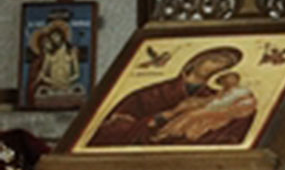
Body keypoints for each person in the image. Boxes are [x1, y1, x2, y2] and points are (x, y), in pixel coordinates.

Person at [88, 47, 242, 147]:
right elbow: (110, 131)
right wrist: (161, 118)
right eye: (215, 61)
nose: (217, 68)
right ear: (195, 62)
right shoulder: (154, 92)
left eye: (225, 66)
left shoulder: (214, 98)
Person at [150, 71, 258, 144]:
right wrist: (201, 102)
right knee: (190, 104)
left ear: (236, 79)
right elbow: (215, 101)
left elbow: (242, 104)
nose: (226, 82)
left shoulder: (241, 91)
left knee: (192, 114)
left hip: (226, 112)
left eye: (229, 79)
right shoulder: (223, 92)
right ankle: (166, 122)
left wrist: (214, 106)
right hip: (214, 109)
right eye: (224, 80)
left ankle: (168, 132)